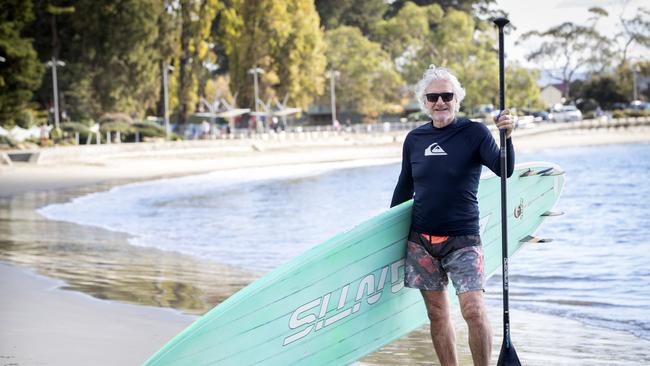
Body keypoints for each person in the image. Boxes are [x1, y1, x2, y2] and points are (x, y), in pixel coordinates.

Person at [391, 65, 515, 366]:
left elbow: (505, 169)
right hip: (421, 242)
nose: (440, 102)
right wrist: (389, 239)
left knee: (473, 309)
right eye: (433, 97)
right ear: (424, 102)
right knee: (437, 313)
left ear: (457, 99)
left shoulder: (473, 133)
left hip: (463, 240)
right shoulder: (415, 139)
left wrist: (507, 137)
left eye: (447, 95)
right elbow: (403, 188)